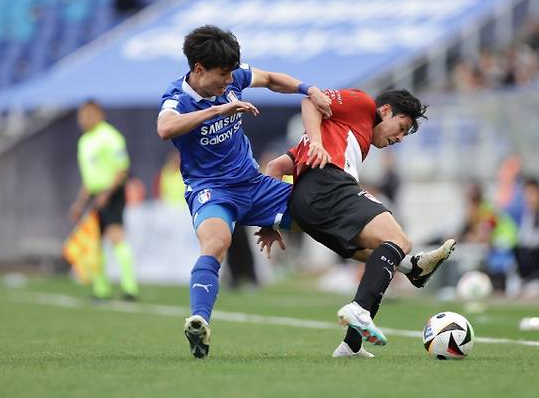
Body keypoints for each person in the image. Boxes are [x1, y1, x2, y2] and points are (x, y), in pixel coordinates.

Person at [156, 25, 331, 359]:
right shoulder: (177, 98)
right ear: (198, 69)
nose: (228, 81)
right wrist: (217, 110)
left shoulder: (232, 77)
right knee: (216, 243)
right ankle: (199, 322)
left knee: (323, 215)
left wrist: (309, 88)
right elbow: (164, 128)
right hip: (212, 192)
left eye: (230, 74)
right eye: (222, 75)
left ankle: (397, 260)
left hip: (253, 184)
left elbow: (272, 79)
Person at [258, 88, 456, 358]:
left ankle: (351, 345)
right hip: (328, 186)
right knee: (399, 241)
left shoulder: (335, 134)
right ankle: (368, 302)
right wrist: (316, 141)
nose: (399, 138)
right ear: (385, 110)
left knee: (381, 257)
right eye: (401, 127)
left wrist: (269, 222)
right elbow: (309, 101)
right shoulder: (362, 104)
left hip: (307, 207)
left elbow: (274, 167)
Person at [68, 100, 139, 300]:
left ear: (99, 114)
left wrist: (106, 194)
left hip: (112, 193)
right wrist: (79, 203)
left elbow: (122, 169)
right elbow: (90, 178)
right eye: (81, 115)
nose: (83, 119)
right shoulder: (84, 141)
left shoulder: (111, 137)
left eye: (88, 114)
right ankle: (101, 289)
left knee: (116, 236)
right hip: (94, 195)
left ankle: (129, 288)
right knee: (94, 242)